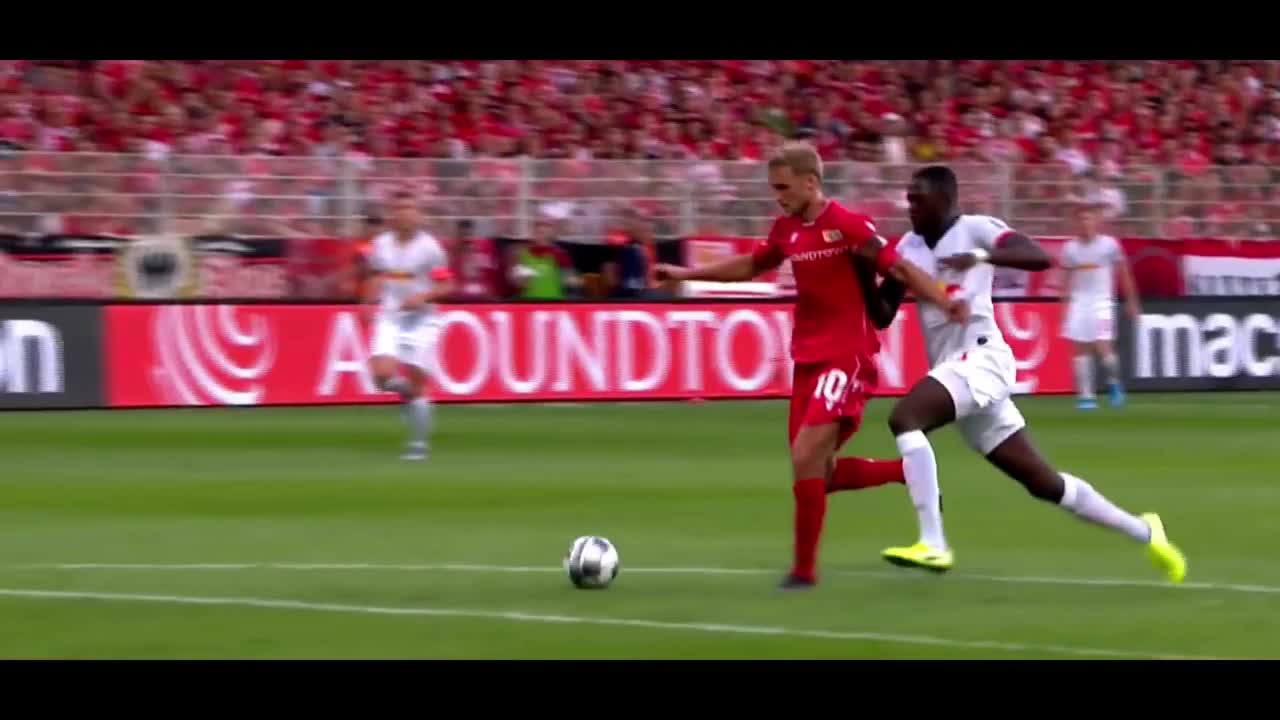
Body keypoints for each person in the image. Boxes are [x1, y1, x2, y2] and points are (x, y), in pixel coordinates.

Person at [655, 142, 969, 589]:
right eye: (773, 188)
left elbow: (897, 268)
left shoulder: (847, 225)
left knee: (805, 455)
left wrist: (943, 297)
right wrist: (685, 275)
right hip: (807, 357)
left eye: (783, 188)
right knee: (816, 473)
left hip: (848, 355)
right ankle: (905, 472)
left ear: (811, 182)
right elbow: (751, 266)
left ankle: (803, 573)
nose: (777, 196)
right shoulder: (787, 229)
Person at [857, 165, 1185, 583]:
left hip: (982, 359)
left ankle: (933, 543)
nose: (911, 207)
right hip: (955, 372)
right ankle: (1145, 530)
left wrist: (981, 256)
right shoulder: (909, 247)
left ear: (946, 199)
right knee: (1044, 483)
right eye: (909, 199)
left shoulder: (976, 229)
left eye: (918, 199)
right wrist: (863, 273)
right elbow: (883, 315)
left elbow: (1037, 256)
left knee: (906, 418)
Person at [365, 189, 455, 461]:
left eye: (411, 209)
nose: (406, 214)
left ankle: (418, 444)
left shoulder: (431, 249)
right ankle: (404, 394)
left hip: (421, 320)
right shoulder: (380, 244)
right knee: (381, 376)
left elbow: (446, 285)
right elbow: (375, 275)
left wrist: (422, 297)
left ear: (418, 214)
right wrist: (367, 302)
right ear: (392, 214)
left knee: (418, 382)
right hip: (391, 315)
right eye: (400, 209)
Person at [1060, 202, 1140, 409]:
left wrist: (1131, 300)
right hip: (1079, 302)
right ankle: (1086, 396)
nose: (1085, 223)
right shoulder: (1070, 249)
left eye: (1089, 218)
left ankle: (1114, 383)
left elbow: (1124, 273)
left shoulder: (1109, 245)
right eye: (1081, 219)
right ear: (1075, 222)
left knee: (1103, 345)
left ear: (1096, 221)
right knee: (1080, 348)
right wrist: (1063, 306)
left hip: (1102, 301)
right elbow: (1066, 280)